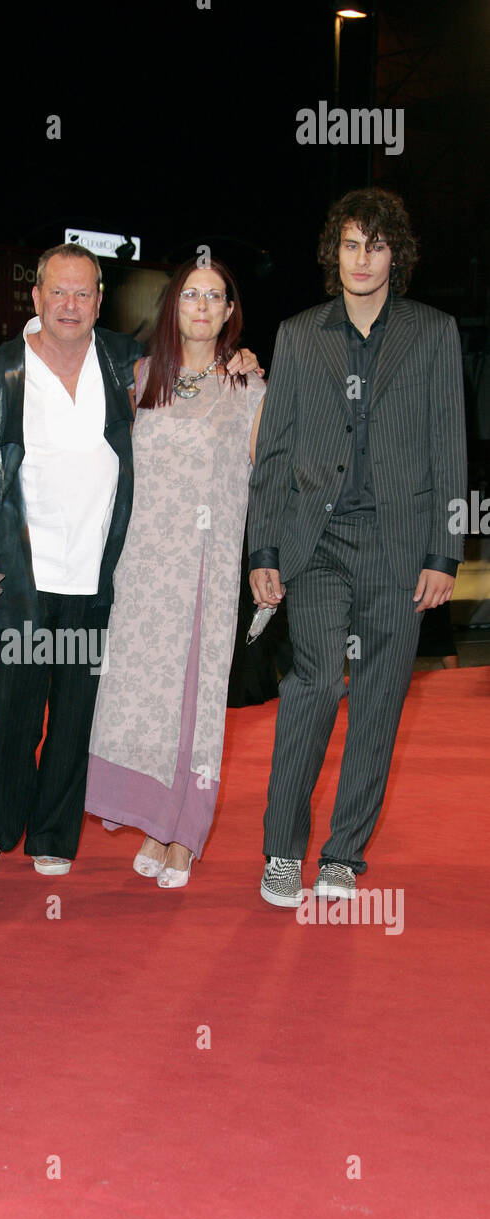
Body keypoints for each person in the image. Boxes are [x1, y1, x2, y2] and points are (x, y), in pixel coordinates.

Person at [0, 243, 261, 876]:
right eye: (58, 292)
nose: (70, 305)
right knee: (11, 702)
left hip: (102, 570)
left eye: (84, 292)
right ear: (36, 297)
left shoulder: (125, 362)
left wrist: (239, 361)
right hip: (22, 568)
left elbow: (204, 394)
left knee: (76, 713)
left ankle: (53, 837)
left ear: (100, 301)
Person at [247, 188, 467, 907]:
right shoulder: (298, 333)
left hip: (400, 549)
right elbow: (273, 455)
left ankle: (342, 853)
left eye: (375, 245)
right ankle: (282, 850)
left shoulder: (432, 333)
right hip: (318, 543)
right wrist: (262, 551)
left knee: (376, 699)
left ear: (393, 256)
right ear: (332, 253)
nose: (361, 258)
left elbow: (447, 446)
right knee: (310, 685)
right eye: (349, 244)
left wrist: (443, 553)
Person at [85, 257, 265, 887]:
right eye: (191, 294)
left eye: (216, 296)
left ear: (229, 312)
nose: (202, 306)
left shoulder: (249, 390)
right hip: (144, 566)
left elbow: (265, 483)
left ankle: (183, 835)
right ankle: (155, 820)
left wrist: (264, 563)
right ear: (173, 306)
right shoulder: (142, 378)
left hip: (204, 569)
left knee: (196, 697)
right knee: (145, 696)